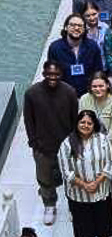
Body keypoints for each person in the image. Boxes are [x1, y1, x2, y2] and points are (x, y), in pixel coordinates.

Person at [58, 110, 112, 237]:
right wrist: (84, 185)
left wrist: (96, 183)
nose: (85, 125)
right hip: (78, 193)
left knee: (103, 217)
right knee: (80, 220)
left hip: (101, 189)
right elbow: (65, 170)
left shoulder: (103, 140)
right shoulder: (67, 143)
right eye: (82, 122)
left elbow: (110, 163)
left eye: (89, 123)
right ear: (77, 124)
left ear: (94, 125)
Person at [24, 62, 79, 225]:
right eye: (49, 74)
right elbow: (28, 120)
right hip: (43, 147)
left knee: (71, 178)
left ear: (61, 74)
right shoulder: (32, 93)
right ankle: (49, 205)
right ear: (43, 73)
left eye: (56, 74)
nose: (52, 77)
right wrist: (34, 142)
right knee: (44, 178)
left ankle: (73, 206)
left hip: (66, 146)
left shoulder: (69, 92)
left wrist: (74, 143)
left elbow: (75, 119)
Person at [79, 72, 112, 146]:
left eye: (101, 86)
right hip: (89, 141)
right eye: (94, 86)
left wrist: (101, 147)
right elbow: (81, 124)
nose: (98, 89)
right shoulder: (84, 99)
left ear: (107, 85)